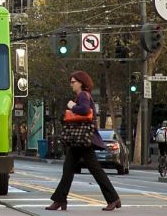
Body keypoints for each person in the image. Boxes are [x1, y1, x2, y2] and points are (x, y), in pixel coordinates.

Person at [46, 71, 121, 212]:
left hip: (83, 138)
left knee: (94, 170)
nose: (71, 84)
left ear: (81, 82)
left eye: (73, 82)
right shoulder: (81, 95)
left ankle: (113, 199)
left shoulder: (83, 95)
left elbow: (85, 110)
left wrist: (72, 106)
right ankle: (60, 200)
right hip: (79, 139)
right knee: (68, 169)